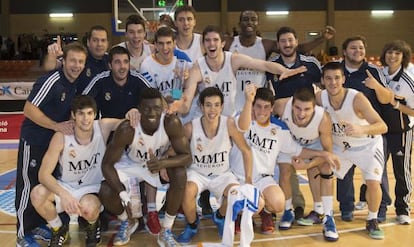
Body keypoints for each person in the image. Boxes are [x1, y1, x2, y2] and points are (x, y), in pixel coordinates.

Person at [15, 42, 88, 247]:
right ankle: (23, 234)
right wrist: (56, 126)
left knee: (46, 187)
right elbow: (28, 110)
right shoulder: (52, 80)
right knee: (28, 186)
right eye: (72, 60)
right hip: (35, 141)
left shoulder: (75, 83)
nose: (76, 65)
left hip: (54, 146)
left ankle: (40, 225)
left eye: (80, 62)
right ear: (64, 60)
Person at [99, 88, 192, 246]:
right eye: (147, 108)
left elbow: (187, 157)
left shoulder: (170, 122)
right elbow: (106, 165)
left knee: (180, 173)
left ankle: (166, 230)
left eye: (156, 108)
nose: (152, 113)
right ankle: (127, 221)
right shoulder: (127, 128)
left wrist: (163, 163)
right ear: (139, 109)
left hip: (156, 163)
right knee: (106, 190)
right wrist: (122, 193)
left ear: (162, 108)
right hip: (131, 165)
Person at [30, 95, 121, 247]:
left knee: (89, 208)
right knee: (37, 194)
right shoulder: (61, 137)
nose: (86, 119)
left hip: (91, 188)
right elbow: (43, 175)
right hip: (67, 186)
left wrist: (133, 113)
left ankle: (93, 225)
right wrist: (64, 195)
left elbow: (128, 124)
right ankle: (58, 228)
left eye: (89, 113)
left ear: (95, 114)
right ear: (73, 115)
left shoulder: (103, 127)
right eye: (81, 113)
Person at [171, 25, 306, 119]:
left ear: (223, 43)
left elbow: (264, 65)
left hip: (229, 118)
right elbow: (186, 104)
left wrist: (284, 70)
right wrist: (176, 105)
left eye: (215, 40)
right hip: (205, 119)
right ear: (203, 44)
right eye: (207, 40)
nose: (212, 44)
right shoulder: (197, 68)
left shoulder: (233, 59)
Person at [318, 61, 388, 239]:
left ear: (343, 79)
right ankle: (327, 217)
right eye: (328, 78)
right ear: (323, 81)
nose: (333, 82)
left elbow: (382, 126)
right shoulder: (320, 98)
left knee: (373, 182)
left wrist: (361, 129)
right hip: (341, 147)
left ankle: (372, 219)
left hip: (367, 146)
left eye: (336, 78)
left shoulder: (357, 98)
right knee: (325, 168)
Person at [175, 87, 255, 244]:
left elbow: (246, 150)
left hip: (222, 174)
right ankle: (192, 225)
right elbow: (174, 149)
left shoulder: (229, 124)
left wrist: (249, 179)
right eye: (209, 105)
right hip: (197, 173)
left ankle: (219, 216)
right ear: (201, 106)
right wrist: (165, 166)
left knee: (236, 194)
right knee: (186, 193)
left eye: (217, 105)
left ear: (222, 106)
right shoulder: (190, 127)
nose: (213, 109)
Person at [273, 87, 338, 241]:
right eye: (297, 108)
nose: (301, 113)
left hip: (314, 146)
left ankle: (328, 217)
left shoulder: (323, 118)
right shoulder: (281, 106)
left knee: (326, 167)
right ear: (291, 104)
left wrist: (307, 165)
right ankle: (288, 211)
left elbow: (328, 153)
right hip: (290, 142)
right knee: (284, 171)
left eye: (307, 109)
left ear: (314, 107)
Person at [339, 35, 392, 222]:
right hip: (344, 133)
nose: (358, 51)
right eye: (353, 48)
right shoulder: (336, 70)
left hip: (371, 132)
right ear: (344, 51)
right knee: (343, 173)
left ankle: (381, 210)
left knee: (377, 174)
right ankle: (346, 208)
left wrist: (376, 86)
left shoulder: (374, 71)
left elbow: (388, 99)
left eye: (361, 48)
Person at [376, 40, 414, 225]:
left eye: (397, 54)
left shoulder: (408, 81)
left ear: (404, 57)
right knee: (376, 170)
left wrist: (397, 104)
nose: (393, 56)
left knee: (401, 171)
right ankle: (380, 204)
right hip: (380, 131)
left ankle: (403, 209)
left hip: (401, 132)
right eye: (390, 52)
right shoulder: (380, 74)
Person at [82, 46, 150, 119]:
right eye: (117, 62)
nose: (122, 66)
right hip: (108, 127)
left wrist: (139, 111)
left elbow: (155, 98)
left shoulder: (137, 79)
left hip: (133, 126)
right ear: (110, 65)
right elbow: (82, 102)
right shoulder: (100, 80)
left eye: (126, 62)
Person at [44, 25, 110, 93]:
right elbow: (50, 67)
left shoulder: (112, 60)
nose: (99, 44)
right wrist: (52, 56)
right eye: (95, 40)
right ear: (88, 42)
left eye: (103, 40)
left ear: (107, 43)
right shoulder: (79, 56)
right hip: (77, 101)